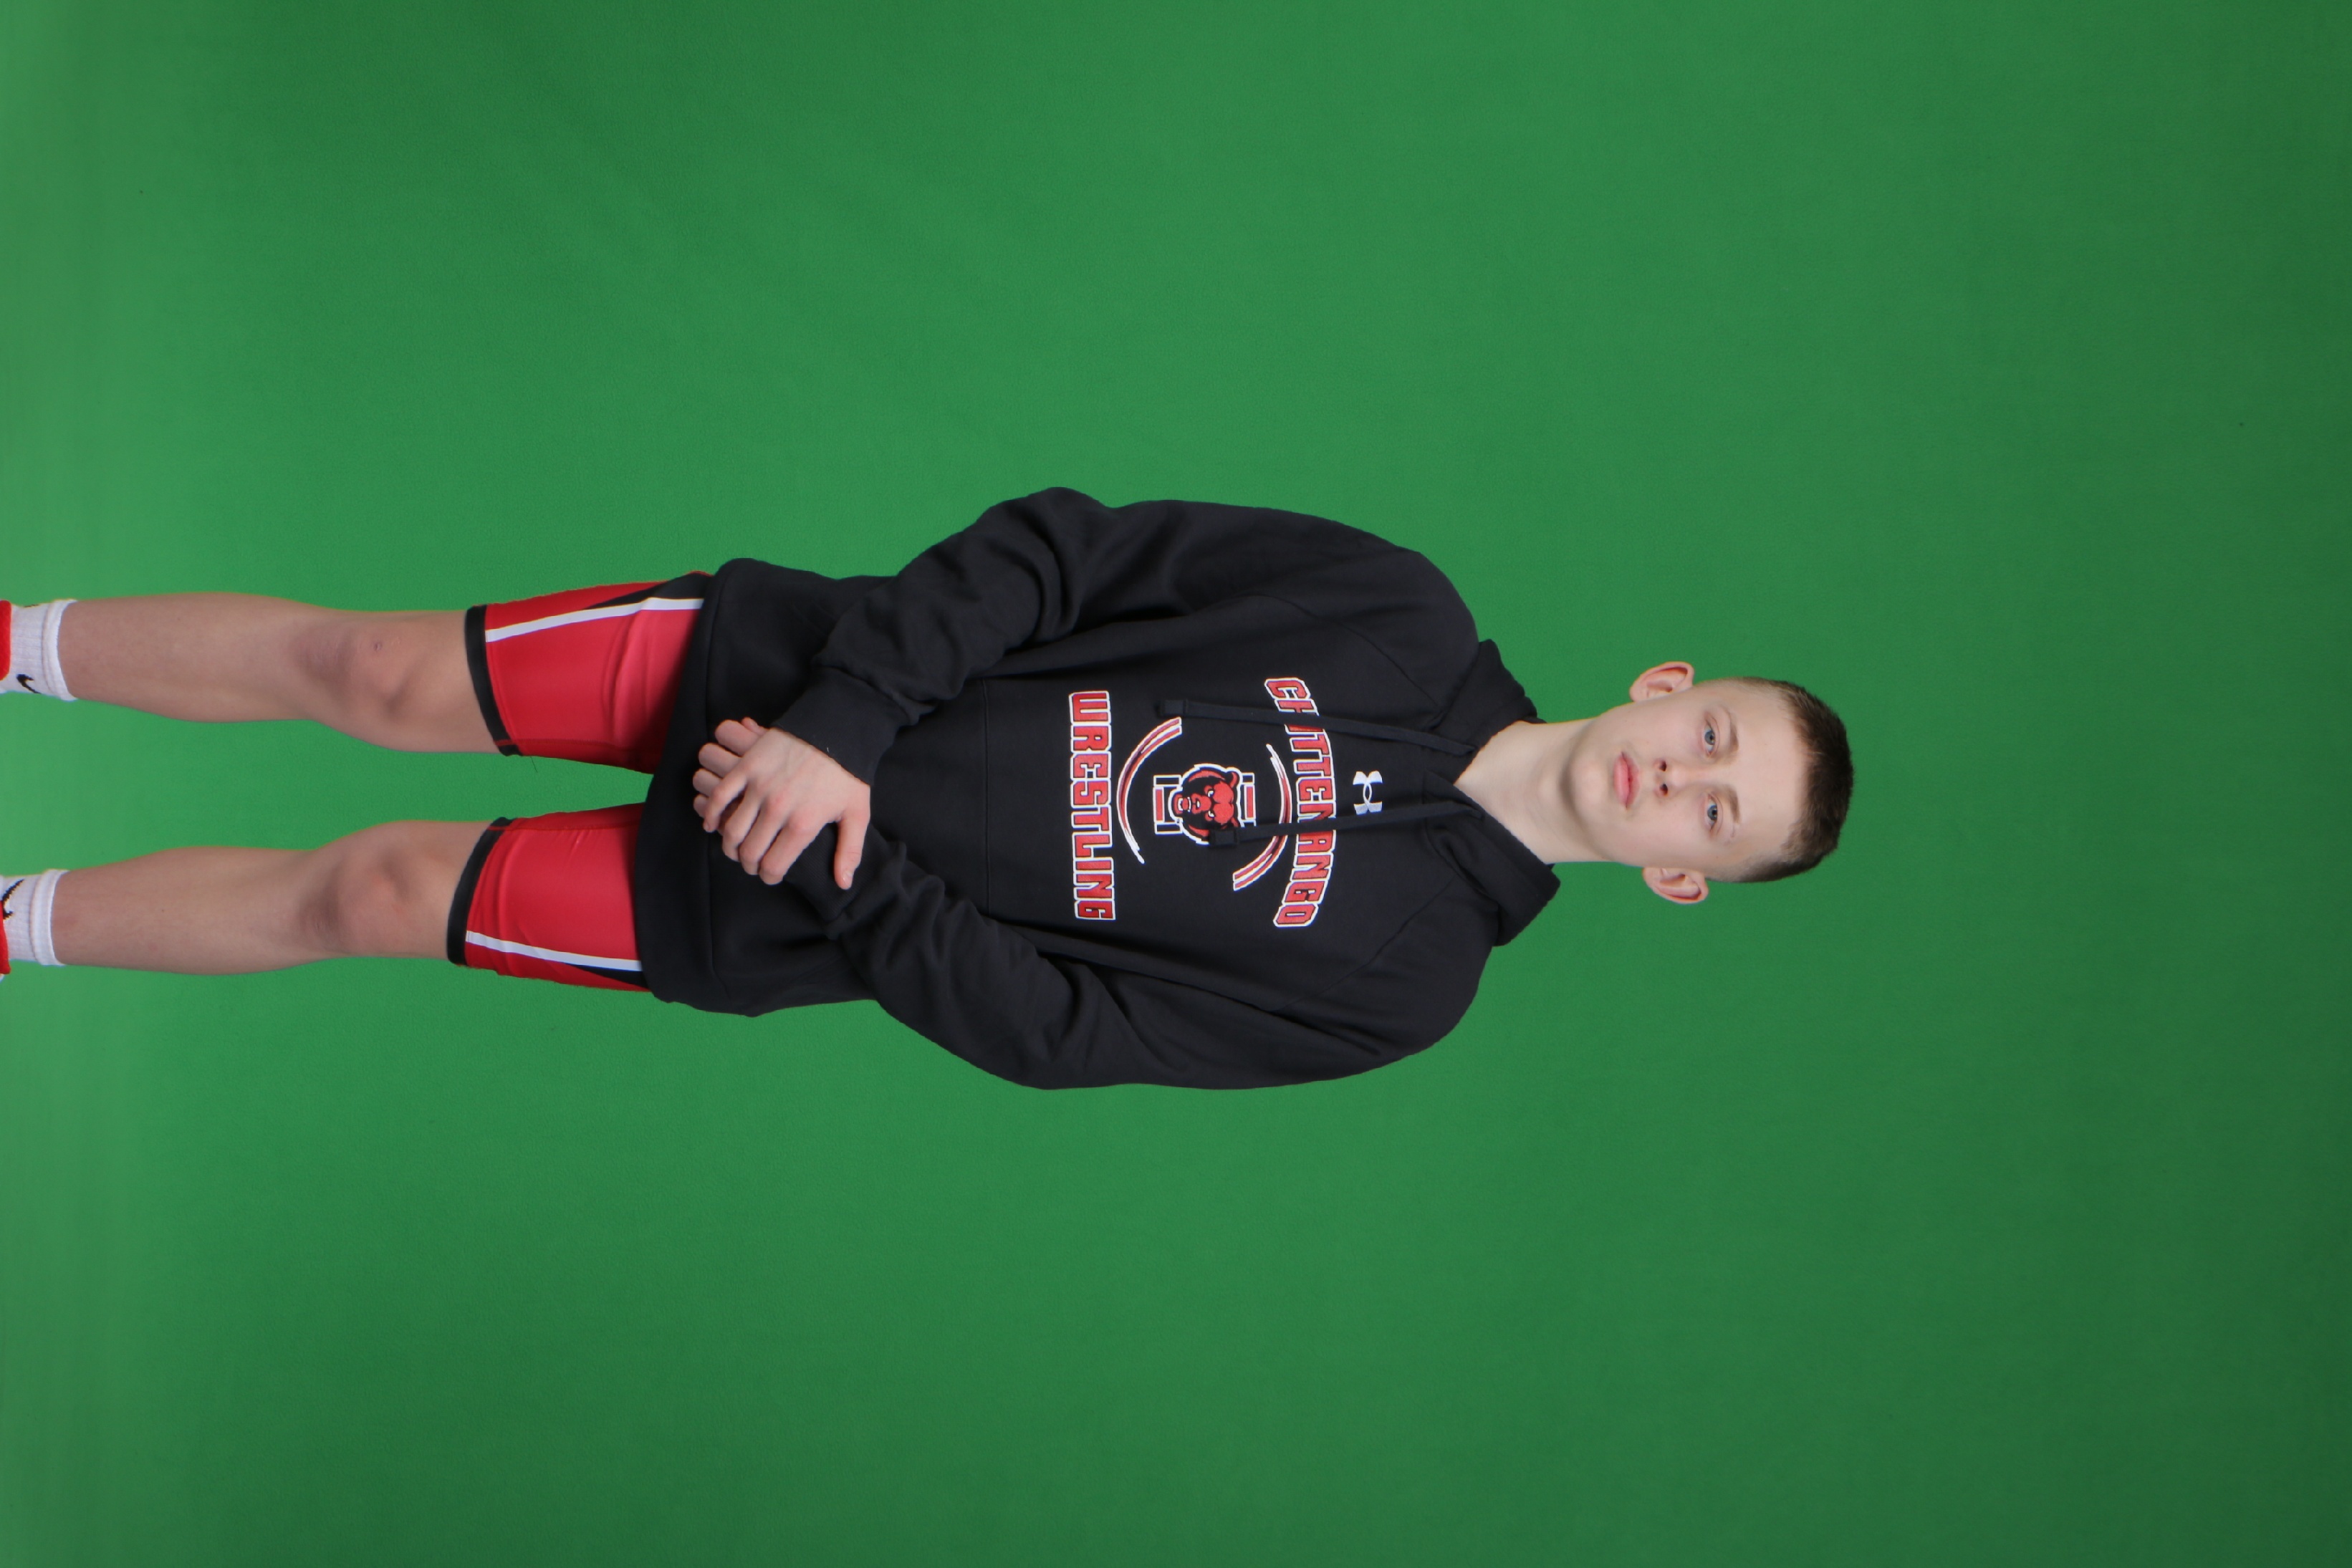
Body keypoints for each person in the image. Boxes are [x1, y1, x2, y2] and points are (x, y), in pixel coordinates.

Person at [0, 489, 1853, 1088]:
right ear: (1669, 685)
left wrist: (844, 855)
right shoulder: (1396, 611)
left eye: (1717, 812)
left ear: (1683, 877)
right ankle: (17, 642)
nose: (1677, 776)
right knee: (376, 674)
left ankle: (13, 927)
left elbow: (1067, 1029)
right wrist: (843, 726)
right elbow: (1065, 554)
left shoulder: (1404, 987)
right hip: (790, 675)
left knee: (373, 894)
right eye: (1711, 736)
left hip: (787, 899)